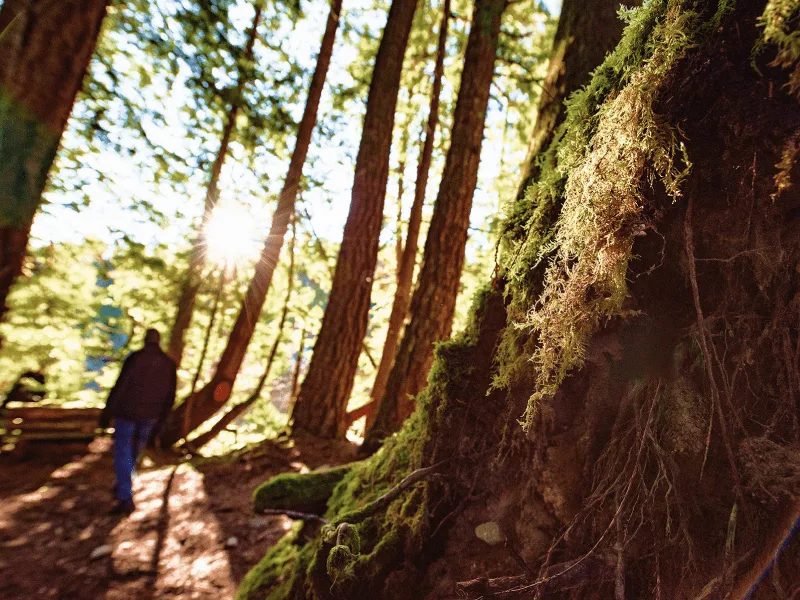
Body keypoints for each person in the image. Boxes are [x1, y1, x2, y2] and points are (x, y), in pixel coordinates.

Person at [100, 328, 177, 515]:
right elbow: (170, 397)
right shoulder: (168, 364)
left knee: (123, 451)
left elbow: (120, 386)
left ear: (145, 340)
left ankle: (125, 496)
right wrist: (162, 420)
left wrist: (107, 413)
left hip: (127, 414)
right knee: (134, 451)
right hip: (150, 416)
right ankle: (122, 484)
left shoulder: (135, 359)